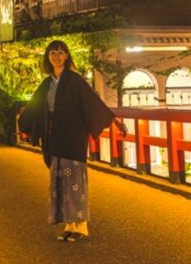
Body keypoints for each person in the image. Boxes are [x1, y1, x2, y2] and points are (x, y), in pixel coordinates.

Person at [19, 40, 127, 242]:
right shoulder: (47, 84)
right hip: (53, 137)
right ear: (48, 57)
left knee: (75, 181)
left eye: (60, 52)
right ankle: (69, 225)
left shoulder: (75, 80)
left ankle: (82, 226)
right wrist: (24, 123)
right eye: (52, 53)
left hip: (73, 136)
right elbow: (35, 106)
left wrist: (114, 121)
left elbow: (92, 102)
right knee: (59, 181)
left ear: (67, 56)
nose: (56, 56)